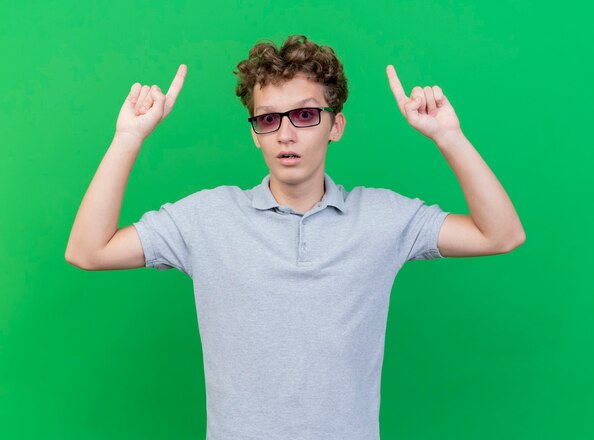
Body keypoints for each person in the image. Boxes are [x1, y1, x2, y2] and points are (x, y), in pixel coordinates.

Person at [65, 35, 525, 440]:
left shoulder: (384, 218)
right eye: (268, 120)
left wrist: (449, 136)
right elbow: (88, 250)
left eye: (305, 114)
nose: (286, 134)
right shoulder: (206, 218)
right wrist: (128, 137)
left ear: (335, 125)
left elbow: (501, 235)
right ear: (255, 136)